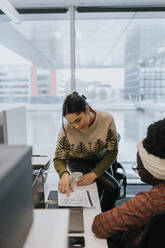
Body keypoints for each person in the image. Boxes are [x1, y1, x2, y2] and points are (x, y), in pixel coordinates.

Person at [92, 118, 165, 248]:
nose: (137, 170)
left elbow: (99, 225)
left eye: (138, 167)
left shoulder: (149, 202)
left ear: (153, 169)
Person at [53, 92, 119, 211]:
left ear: (87, 109)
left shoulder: (107, 119)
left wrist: (95, 173)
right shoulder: (66, 128)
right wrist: (64, 174)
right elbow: (59, 158)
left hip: (101, 159)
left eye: (78, 120)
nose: (76, 126)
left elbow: (112, 152)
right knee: (100, 187)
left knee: (113, 188)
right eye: (71, 123)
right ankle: (96, 216)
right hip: (77, 161)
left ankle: (104, 217)